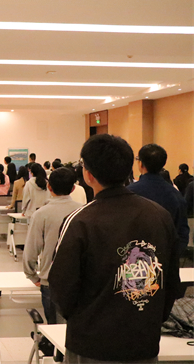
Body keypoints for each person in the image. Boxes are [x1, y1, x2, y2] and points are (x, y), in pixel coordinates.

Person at [49, 134, 180, 363]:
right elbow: (171, 280)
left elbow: (61, 286)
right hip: (144, 341)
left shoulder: (80, 220)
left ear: (88, 175)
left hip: (91, 344)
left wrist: (82, 319)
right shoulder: (160, 216)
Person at [23, 167, 83, 324]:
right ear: (73, 188)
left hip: (51, 281)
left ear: (49, 187)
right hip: (80, 281)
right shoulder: (83, 211)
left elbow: (31, 250)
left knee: (54, 328)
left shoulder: (41, 214)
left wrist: (33, 275)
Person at [127, 144, 190, 257]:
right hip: (165, 257)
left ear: (140, 164)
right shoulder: (176, 195)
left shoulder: (129, 192)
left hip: (132, 258)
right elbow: (182, 233)